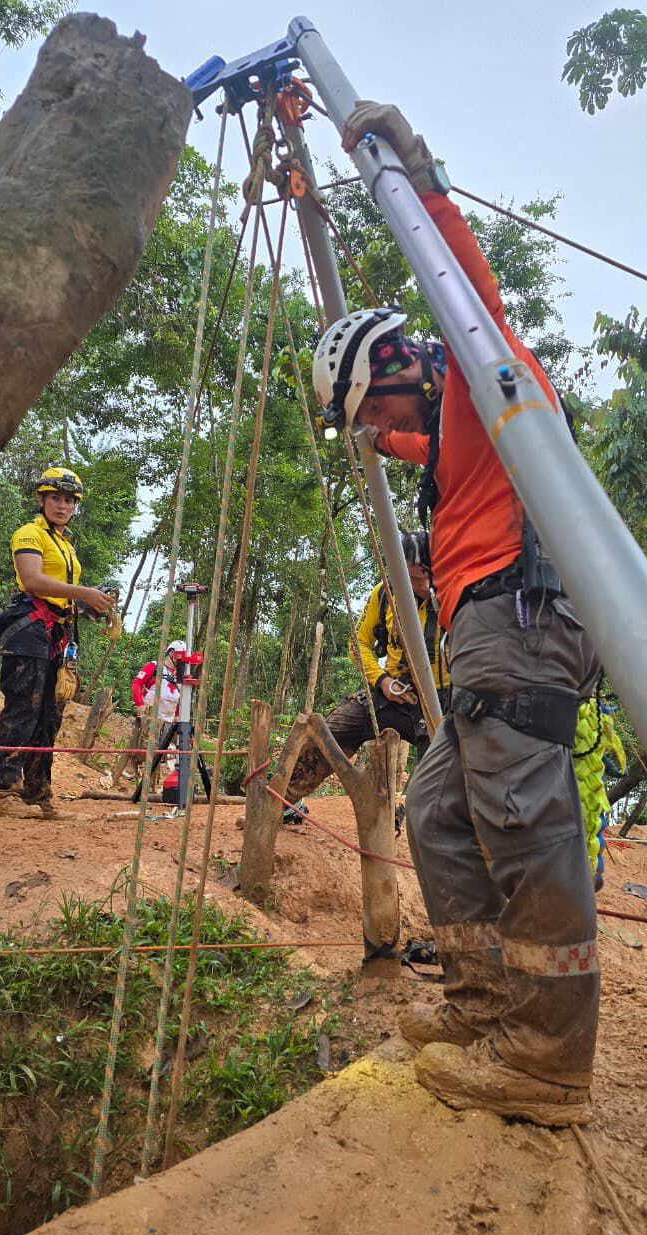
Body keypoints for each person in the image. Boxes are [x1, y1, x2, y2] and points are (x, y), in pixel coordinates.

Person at [309, 102, 600, 1126]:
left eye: (376, 412)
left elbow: (465, 278)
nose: (380, 438)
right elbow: (402, 461)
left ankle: (550, 1055)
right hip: (482, 636)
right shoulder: (440, 451)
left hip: (522, 620)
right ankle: (485, 1003)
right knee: (437, 812)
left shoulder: (483, 378)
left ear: (402, 369)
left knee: (523, 820)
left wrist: (415, 173)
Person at [285, 531, 447, 809]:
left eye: (421, 578)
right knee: (331, 732)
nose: (419, 585)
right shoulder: (385, 593)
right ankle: (283, 801)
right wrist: (382, 681)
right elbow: (358, 643)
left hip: (444, 703)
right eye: (411, 578)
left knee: (438, 783)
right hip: (395, 695)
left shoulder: (459, 594)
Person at [0, 467, 112, 819]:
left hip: (57, 632)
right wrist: (82, 591)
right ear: (42, 500)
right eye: (55, 498)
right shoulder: (29, 533)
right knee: (24, 707)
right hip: (28, 628)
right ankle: (1, 792)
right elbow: (32, 579)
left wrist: (88, 604)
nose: (61, 505)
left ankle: (37, 793)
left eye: (68, 500)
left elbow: (62, 593)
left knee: (49, 715)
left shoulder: (65, 544)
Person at [131, 643, 184, 788]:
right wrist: (139, 703)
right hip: (152, 716)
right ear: (172, 653)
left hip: (168, 720)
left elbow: (181, 698)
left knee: (160, 753)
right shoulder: (153, 667)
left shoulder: (180, 675)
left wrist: (178, 715)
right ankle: (144, 786)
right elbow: (137, 683)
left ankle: (152, 786)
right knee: (149, 751)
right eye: (179, 656)